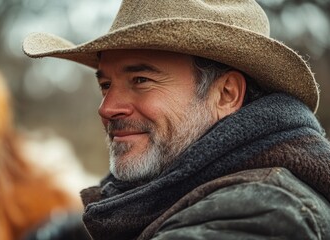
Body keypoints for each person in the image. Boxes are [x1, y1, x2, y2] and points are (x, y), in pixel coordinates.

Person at [22, 0, 330, 239]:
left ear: (226, 94)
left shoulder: (260, 211)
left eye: (140, 80)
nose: (107, 108)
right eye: (105, 85)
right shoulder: (161, 195)